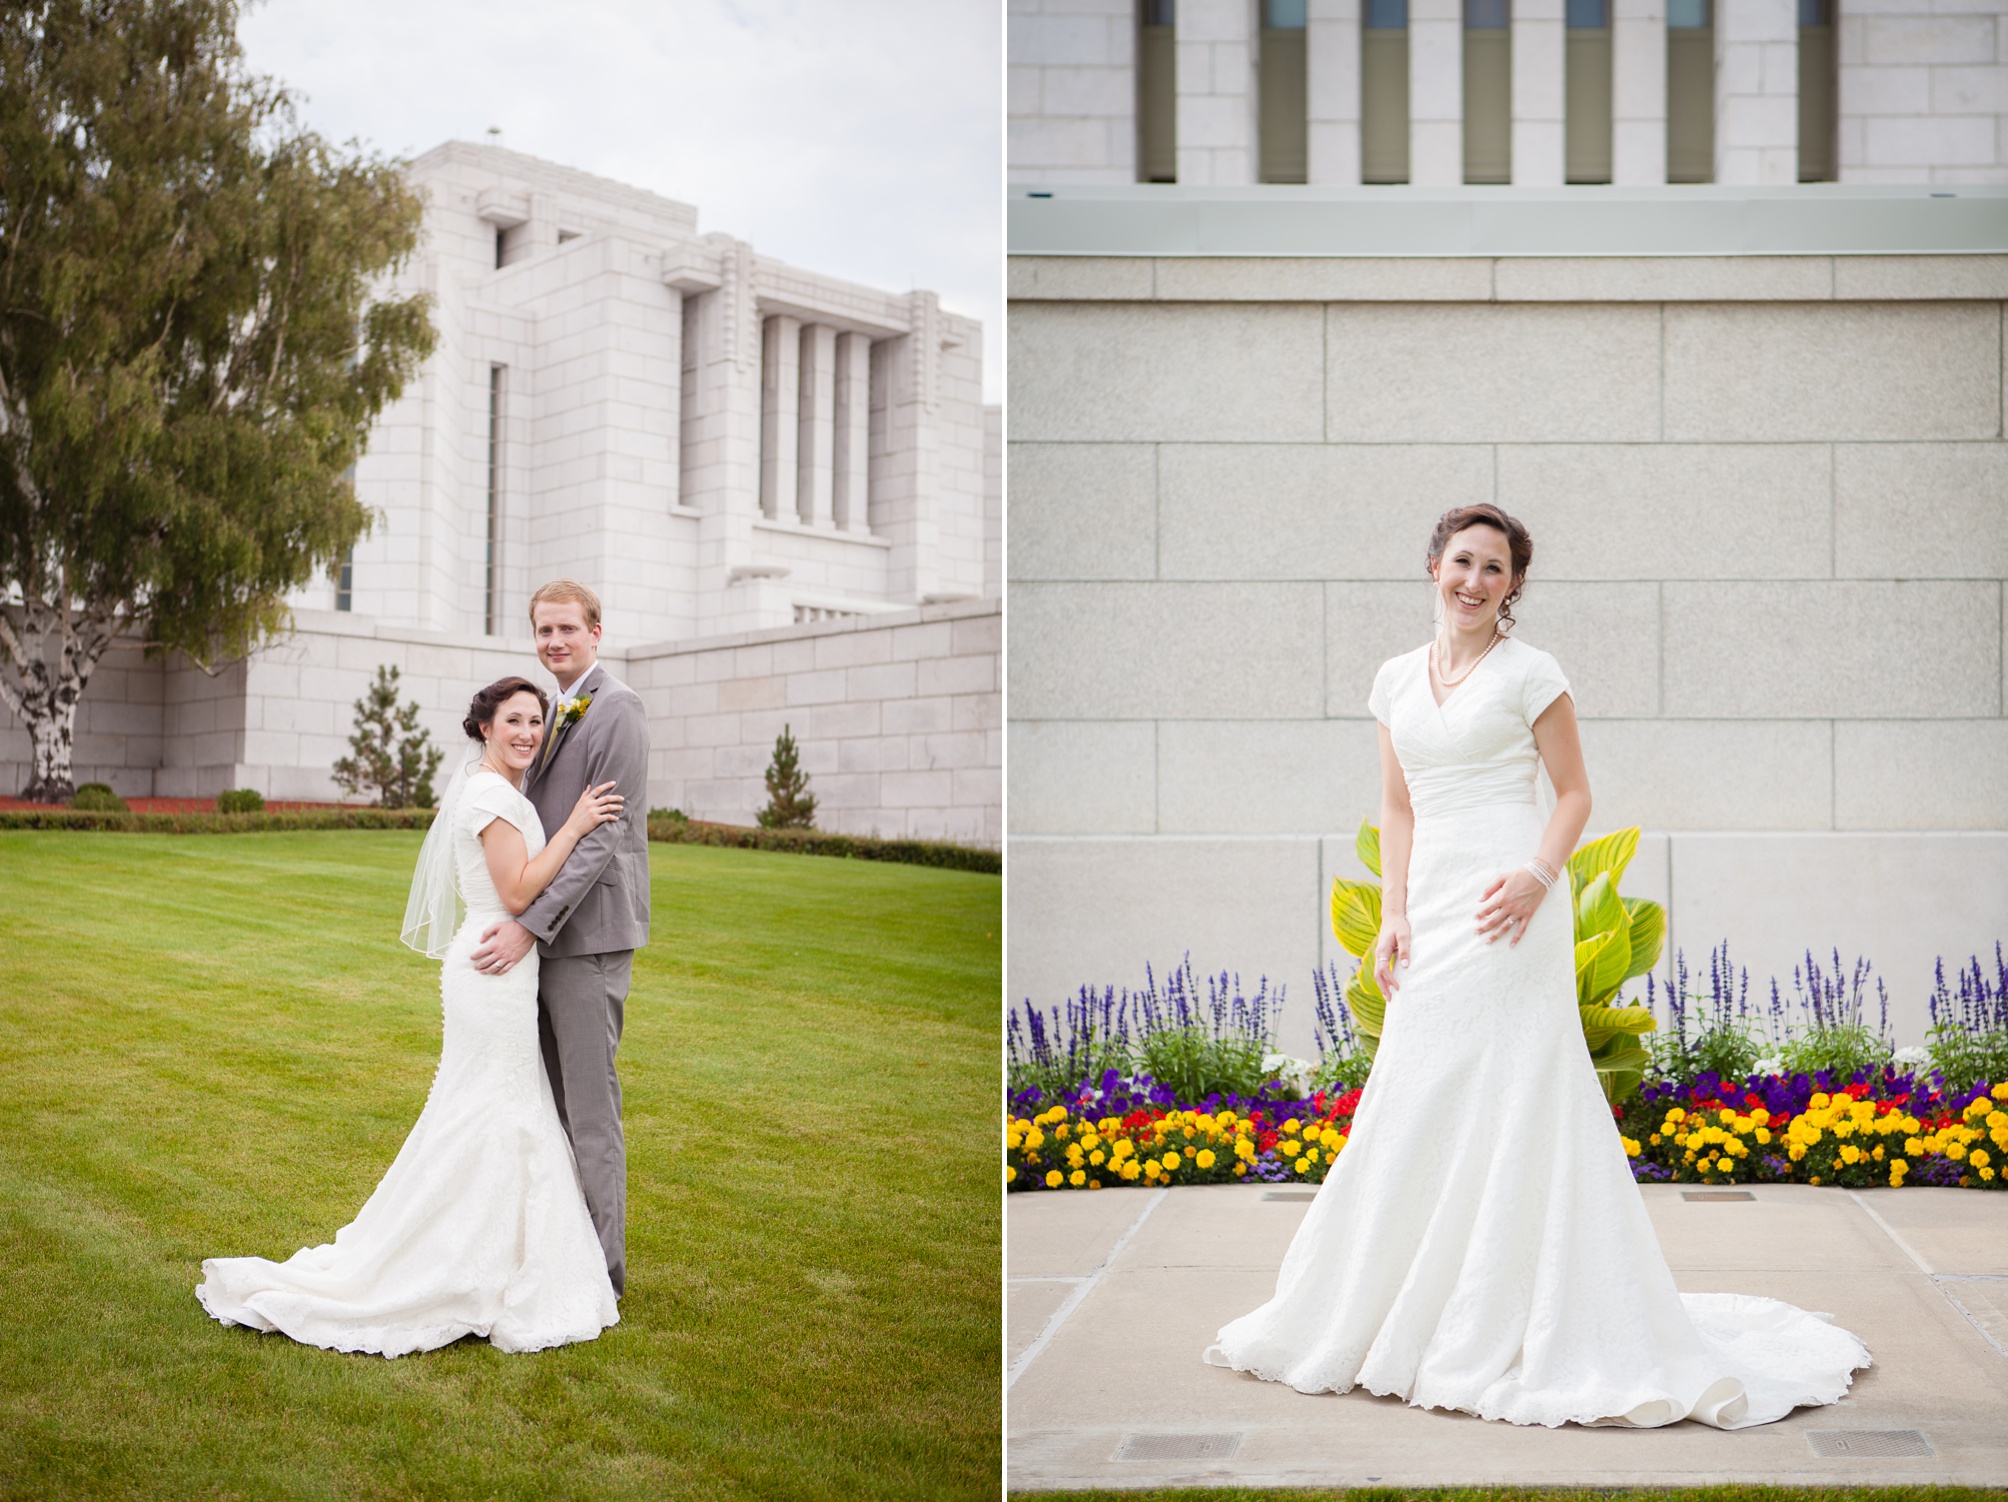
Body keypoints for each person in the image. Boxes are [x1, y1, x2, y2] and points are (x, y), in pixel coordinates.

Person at [1205, 503, 1870, 1428]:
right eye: (1462, 562)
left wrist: (1536, 875)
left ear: (1513, 586)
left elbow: (1575, 792)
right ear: (1433, 564)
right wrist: (1391, 913)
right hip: (1434, 909)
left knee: (1514, 1085)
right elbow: (1398, 808)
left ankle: (1516, 1313)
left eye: (1495, 569)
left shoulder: (1530, 673)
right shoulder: (1396, 680)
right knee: (1419, 1084)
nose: (1475, 581)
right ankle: (1400, 1305)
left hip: (1514, 903)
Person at [196, 677, 625, 1356]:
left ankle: (492, 1250)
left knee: (493, 1106)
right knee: (489, 1108)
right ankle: (454, 1259)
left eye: (536, 721)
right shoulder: (488, 794)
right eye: (513, 720)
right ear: (483, 727)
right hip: (494, 964)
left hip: (502, 970)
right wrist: (574, 824)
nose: (527, 733)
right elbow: (515, 890)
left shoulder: (500, 790)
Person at [468, 580, 650, 1299]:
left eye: (567, 629)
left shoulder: (619, 711)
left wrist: (527, 926)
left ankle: (603, 1272)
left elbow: (600, 838)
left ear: (596, 633)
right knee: (550, 1107)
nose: (554, 642)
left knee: (589, 1108)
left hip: (589, 937)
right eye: (544, 630)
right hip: (547, 940)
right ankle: (556, 1249)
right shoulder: (549, 716)